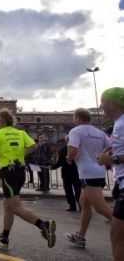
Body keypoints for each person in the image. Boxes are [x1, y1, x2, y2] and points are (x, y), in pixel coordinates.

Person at [0, 108, 56, 250]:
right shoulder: (20, 133)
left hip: (8, 172)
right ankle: (4, 237)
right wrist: (21, 154)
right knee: (7, 205)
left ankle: (44, 225)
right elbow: (33, 145)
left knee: (15, 206)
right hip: (20, 171)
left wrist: (5, 156)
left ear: (1, 120)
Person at [64, 108, 113, 248]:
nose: (73, 120)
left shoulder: (75, 131)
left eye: (74, 117)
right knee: (84, 203)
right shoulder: (100, 132)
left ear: (78, 118)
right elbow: (111, 147)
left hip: (87, 173)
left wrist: (68, 158)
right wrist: (100, 156)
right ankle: (80, 236)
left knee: (101, 208)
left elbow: (72, 150)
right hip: (99, 170)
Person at [97, 87, 124, 261]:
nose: (101, 107)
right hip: (120, 183)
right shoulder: (118, 123)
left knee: (118, 237)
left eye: (103, 102)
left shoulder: (122, 123)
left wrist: (111, 160)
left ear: (113, 103)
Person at [52, 139, 81, 212]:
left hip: (66, 173)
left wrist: (52, 167)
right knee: (78, 189)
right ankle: (81, 206)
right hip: (77, 172)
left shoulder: (62, 150)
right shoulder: (78, 148)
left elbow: (60, 162)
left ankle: (72, 206)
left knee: (68, 190)